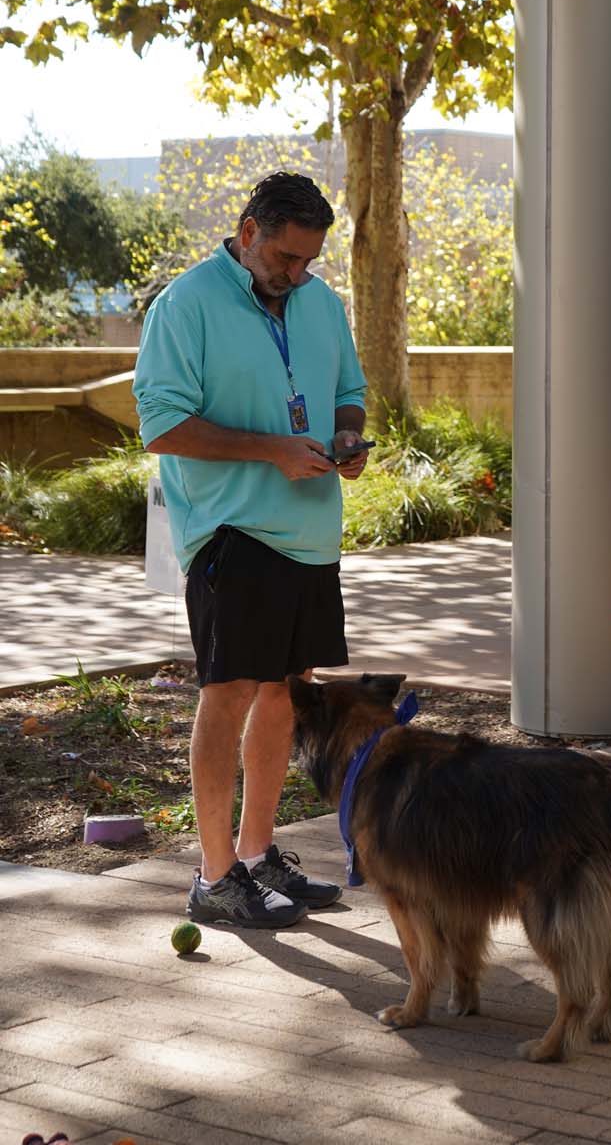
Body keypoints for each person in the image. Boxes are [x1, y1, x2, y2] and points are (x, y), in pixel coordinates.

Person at [133, 172, 370, 929]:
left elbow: (350, 391)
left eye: (308, 260)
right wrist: (272, 450)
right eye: (284, 258)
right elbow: (162, 425)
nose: (296, 274)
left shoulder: (322, 303)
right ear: (247, 234)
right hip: (232, 533)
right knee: (229, 692)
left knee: (285, 693)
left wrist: (347, 436)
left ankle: (259, 854)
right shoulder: (187, 304)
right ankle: (214, 877)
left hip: (311, 536)